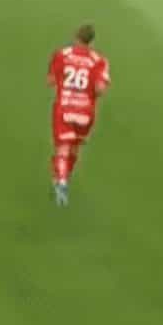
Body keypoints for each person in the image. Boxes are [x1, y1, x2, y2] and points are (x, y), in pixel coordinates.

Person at [48, 24, 111, 206]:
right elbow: (100, 89)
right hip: (85, 112)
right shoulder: (99, 61)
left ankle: (61, 181)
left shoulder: (62, 54)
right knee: (74, 148)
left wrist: (66, 85)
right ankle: (65, 175)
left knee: (63, 148)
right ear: (91, 41)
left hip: (65, 108)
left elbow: (51, 81)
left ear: (76, 37)